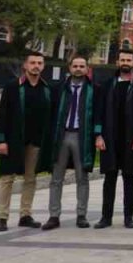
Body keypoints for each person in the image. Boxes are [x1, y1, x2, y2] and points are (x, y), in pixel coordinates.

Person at [0, 50, 54, 232]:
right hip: (13, 140)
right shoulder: (13, 87)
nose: (36, 66)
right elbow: (2, 114)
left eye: (39, 63)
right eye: (33, 62)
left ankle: (25, 214)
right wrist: (0, 140)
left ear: (43, 66)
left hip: (35, 141)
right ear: (25, 65)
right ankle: (2, 217)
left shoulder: (46, 89)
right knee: (7, 178)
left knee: (30, 178)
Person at [94, 48, 133, 229]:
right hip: (109, 139)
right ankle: (106, 217)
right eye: (122, 60)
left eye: (129, 60)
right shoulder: (106, 84)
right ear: (117, 62)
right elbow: (99, 112)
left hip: (131, 140)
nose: (125, 63)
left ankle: (128, 217)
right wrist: (98, 135)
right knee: (109, 179)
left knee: (129, 178)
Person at [43, 55, 96, 231]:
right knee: (56, 178)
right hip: (62, 135)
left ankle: (81, 214)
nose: (78, 68)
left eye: (82, 65)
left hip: (83, 136)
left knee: (82, 177)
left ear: (87, 69)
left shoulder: (94, 90)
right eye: (75, 66)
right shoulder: (59, 89)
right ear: (69, 68)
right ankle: (54, 215)